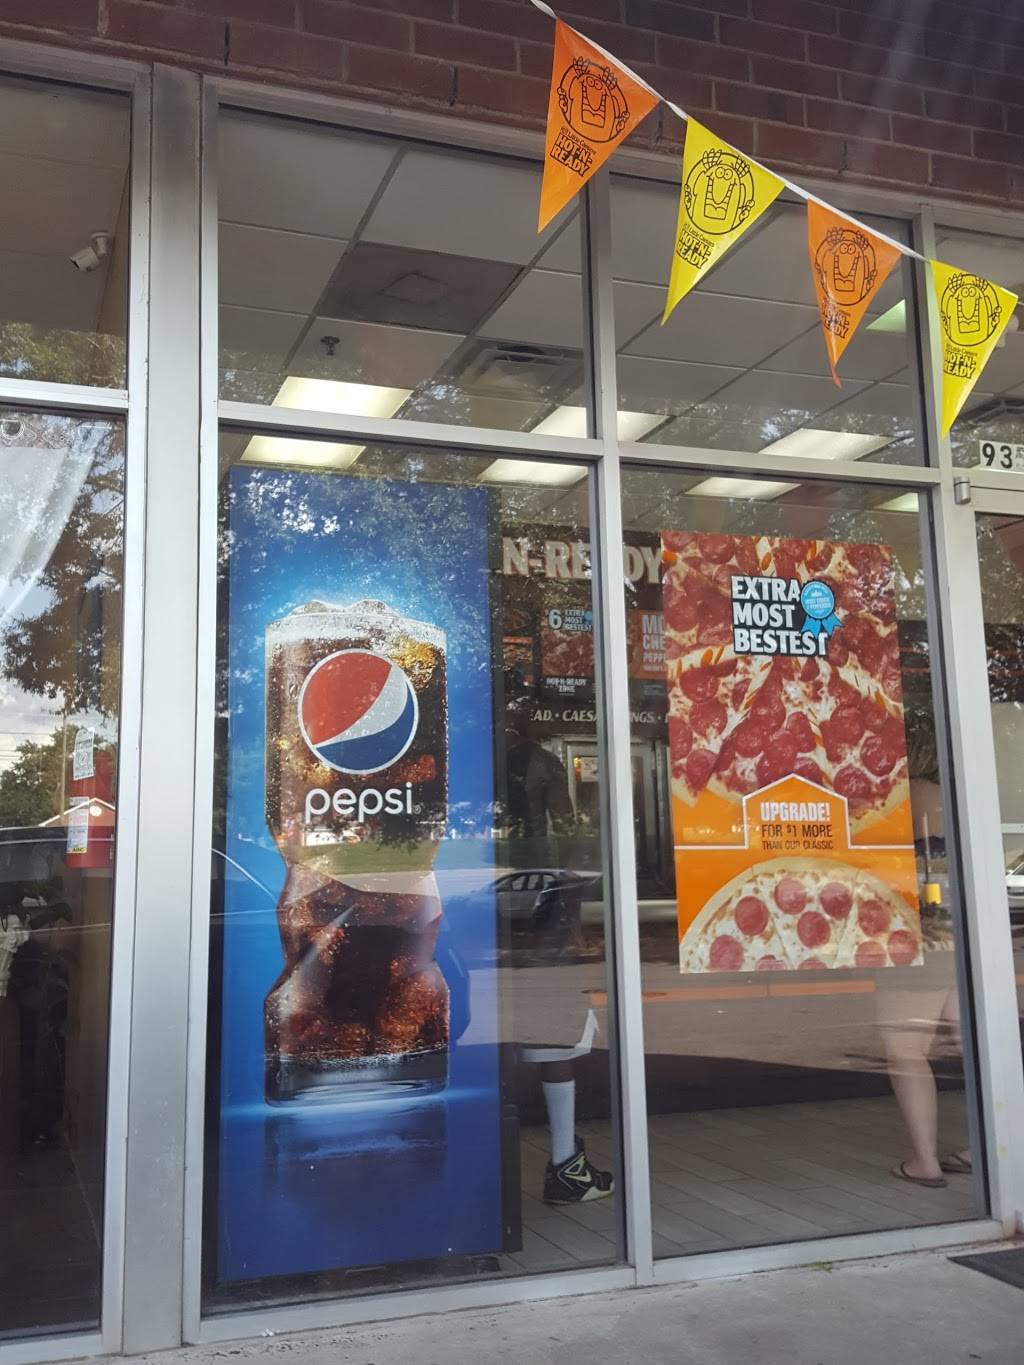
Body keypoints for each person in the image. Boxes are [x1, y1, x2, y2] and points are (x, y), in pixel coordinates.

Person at [503, 724, 614, 1205]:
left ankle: (486, 1168)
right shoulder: (542, 761)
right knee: (556, 1035)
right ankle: (566, 1164)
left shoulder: (466, 755)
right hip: (540, 899)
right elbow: (567, 827)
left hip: (485, 900)